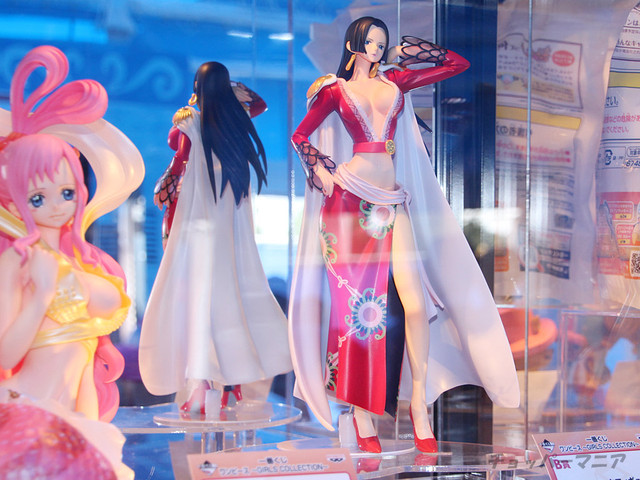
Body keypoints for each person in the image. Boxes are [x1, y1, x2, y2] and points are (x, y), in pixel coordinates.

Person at [289, 16, 519, 453]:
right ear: (354, 44)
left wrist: (413, 50)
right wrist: (323, 169)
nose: (377, 50)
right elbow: (300, 135)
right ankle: (360, 411)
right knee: (358, 310)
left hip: (392, 199)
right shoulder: (335, 91)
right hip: (349, 201)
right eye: (371, 43)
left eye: (383, 43)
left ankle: (418, 404)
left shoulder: (395, 81)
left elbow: (457, 64)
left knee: (415, 304)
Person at [0, 45, 144, 422]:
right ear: (13, 203)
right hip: (24, 406)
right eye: (37, 197)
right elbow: (6, 353)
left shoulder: (81, 259)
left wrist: (90, 432)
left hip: (69, 413)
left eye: (66, 192)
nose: (56, 206)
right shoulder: (17, 260)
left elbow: (84, 369)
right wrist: (41, 297)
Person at [139, 62, 291, 414]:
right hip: (209, 221)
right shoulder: (223, 122)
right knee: (217, 304)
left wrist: (219, 94)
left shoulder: (198, 121)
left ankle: (210, 384)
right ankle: (218, 385)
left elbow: (180, 158)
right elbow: (257, 105)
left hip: (203, 222)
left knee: (207, 304)